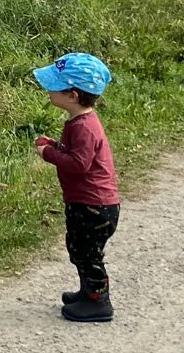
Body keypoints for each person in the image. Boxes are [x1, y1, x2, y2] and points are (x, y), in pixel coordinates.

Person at [32, 51, 119, 323]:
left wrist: (48, 154)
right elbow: (75, 153)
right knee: (78, 248)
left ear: (72, 94)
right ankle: (87, 293)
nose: (48, 90)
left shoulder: (84, 126)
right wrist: (56, 145)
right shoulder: (79, 121)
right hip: (86, 202)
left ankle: (99, 302)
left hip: (94, 205)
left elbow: (78, 164)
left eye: (53, 86)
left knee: (88, 253)